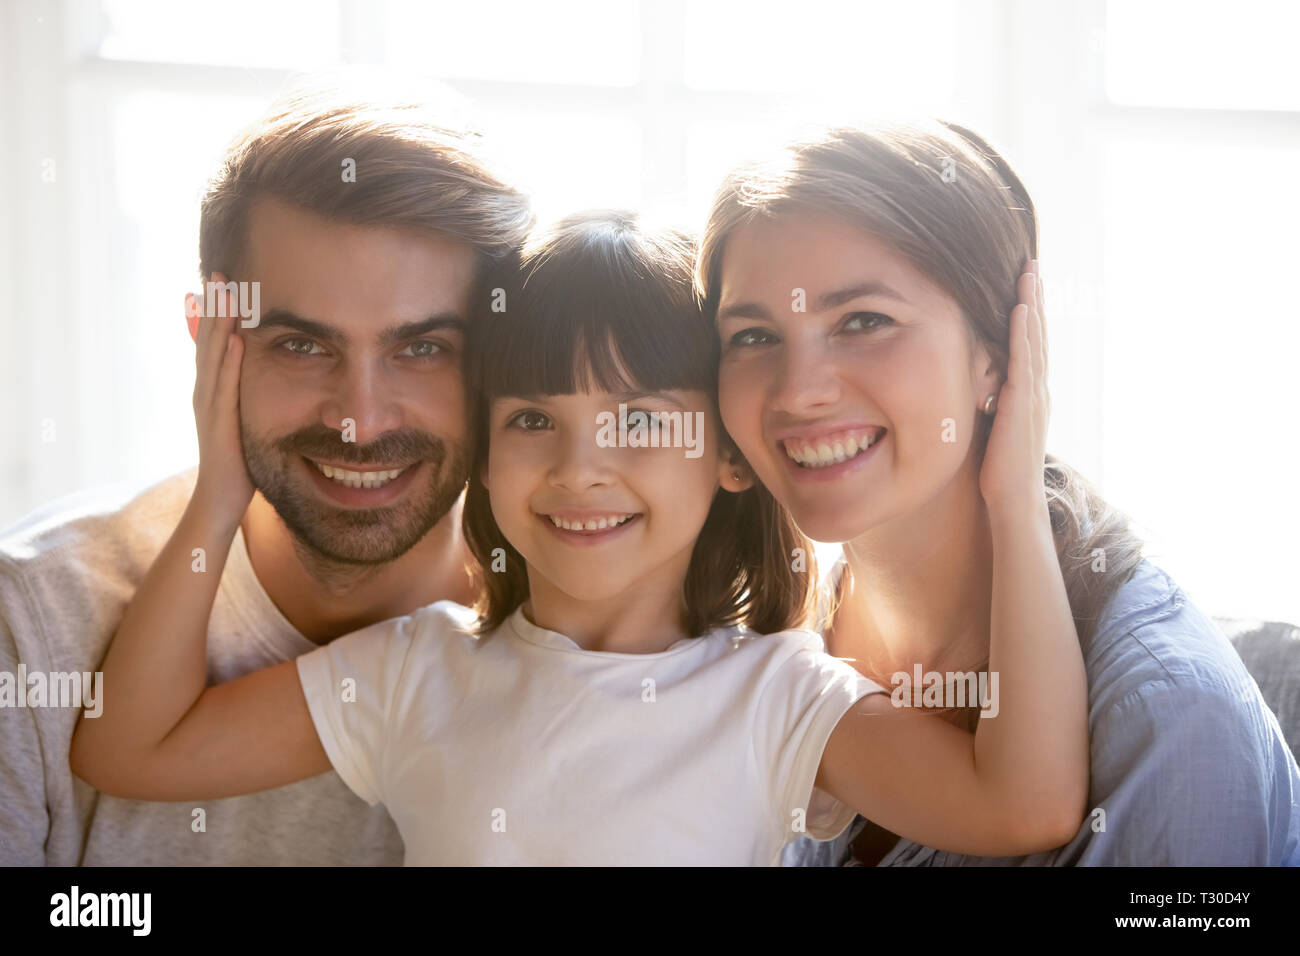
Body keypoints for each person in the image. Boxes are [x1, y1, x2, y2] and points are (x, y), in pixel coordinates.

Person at [70, 211, 1088, 865]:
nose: (579, 467)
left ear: (729, 452)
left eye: (641, 420)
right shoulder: (411, 670)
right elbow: (128, 744)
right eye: (529, 419)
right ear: (481, 446)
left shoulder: (779, 696)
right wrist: (217, 496)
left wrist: (1009, 491)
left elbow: (1023, 806)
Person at [695, 120, 1300, 865]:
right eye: (753, 336)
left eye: (864, 321)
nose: (799, 391)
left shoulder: (1171, 717)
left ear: (997, 357)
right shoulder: (771, 638)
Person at [0, 77, 532, 865]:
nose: (361, 418)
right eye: (302, 345)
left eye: (421, 349)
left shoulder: (588, 631)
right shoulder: (35, 625)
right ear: (212, 336)